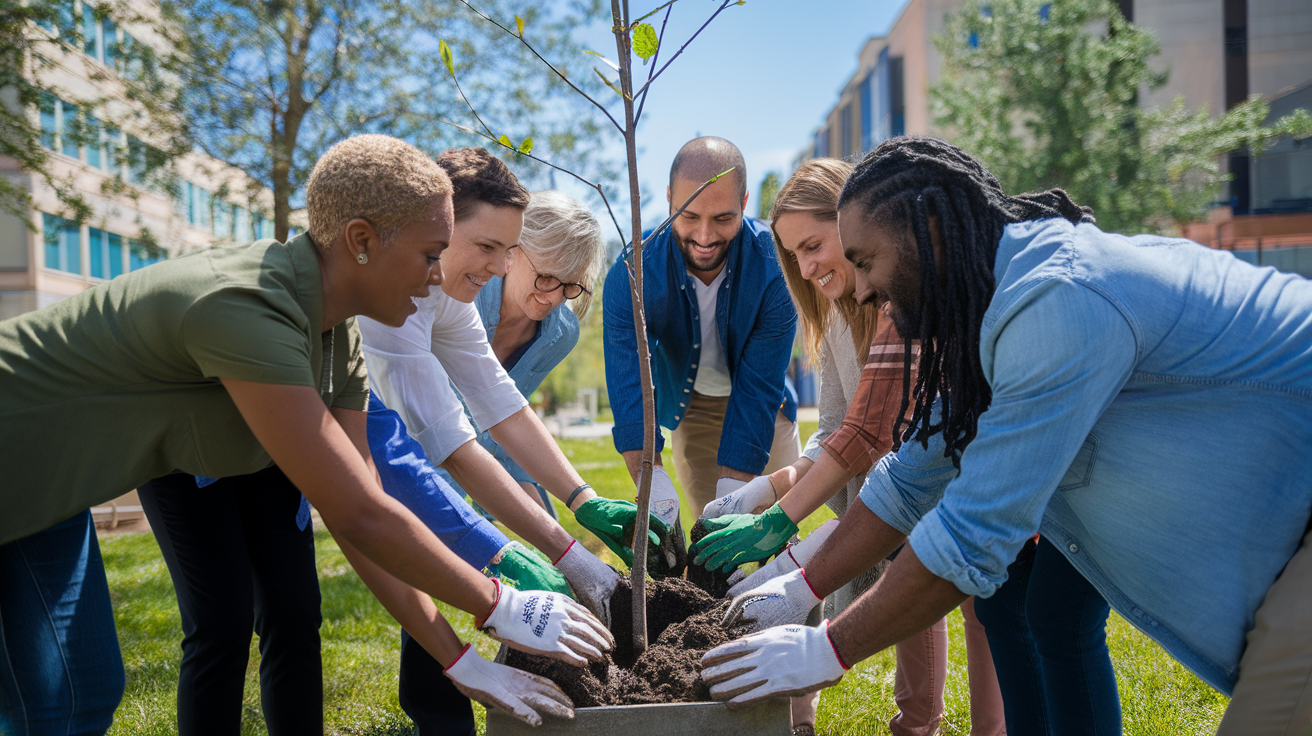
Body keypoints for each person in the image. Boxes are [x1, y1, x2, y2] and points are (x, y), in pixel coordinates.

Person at [0, 134, 610, 735]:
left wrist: (461, 659)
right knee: (64, 702)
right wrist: (498, 603)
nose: (435, 282)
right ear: (362, 241)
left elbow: (363, 511)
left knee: (83, 690)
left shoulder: (338, 340)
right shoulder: (248, 310)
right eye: (431, 255)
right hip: (16, 456)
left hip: (54, 484)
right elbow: (360, 515)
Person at [700, 136, 1312, 736]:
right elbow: (911, 477)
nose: (860, 290)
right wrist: (798, 585)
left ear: (927, 237)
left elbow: (971, 535)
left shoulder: (1056, 298)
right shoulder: (990, 313)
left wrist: (827, 650)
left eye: (865, 262)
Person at [702, 158, 1006, 736]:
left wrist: (791, 546)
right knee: (911, 584)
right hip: (909, 483)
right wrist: (764, 496)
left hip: (961, 470)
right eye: (794, 255)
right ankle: (916, 725)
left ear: (853, 224)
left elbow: (871, 436)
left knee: (982, 608)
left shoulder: (907, 299)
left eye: (815, 245)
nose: (809, 266)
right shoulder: (839, 316)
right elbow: (840, 429)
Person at [357, 149, 642, 736]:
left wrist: (579, 501)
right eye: (490, 249)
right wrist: (520, 552)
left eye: (568, 287)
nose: (497, 265)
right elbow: (444, 444)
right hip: (382, 445)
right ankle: (441, 701)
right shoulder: (406, 298)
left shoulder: (458, 300)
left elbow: (502, 408)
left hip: (434, 455)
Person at [602, 136, 801, 561]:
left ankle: (799, 622)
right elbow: (629, 383)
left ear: (745, 202)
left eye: (723, 217)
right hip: (690, 407)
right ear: (670, 197)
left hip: (765, 407)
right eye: (689, 215)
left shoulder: (776, 266)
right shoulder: (632, 271)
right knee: (711, 545)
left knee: (776, 541)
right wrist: (649, 478)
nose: (705, 235)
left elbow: (759, 386)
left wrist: (734, 492)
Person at [437, 189, 606, 520]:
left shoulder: (560, 333)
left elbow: (507, 426)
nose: (554, 298)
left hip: (481, 465)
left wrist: (568, 515)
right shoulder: (463, 295)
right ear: (512, 249)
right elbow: (435, 424)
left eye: (570, 286)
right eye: (545, 277)